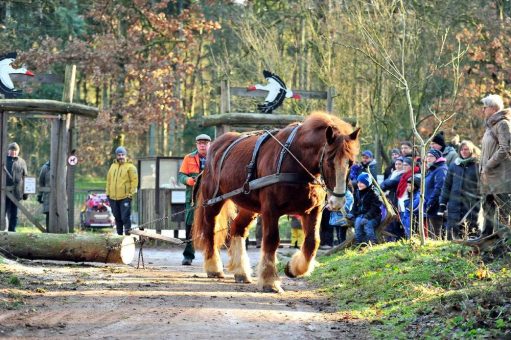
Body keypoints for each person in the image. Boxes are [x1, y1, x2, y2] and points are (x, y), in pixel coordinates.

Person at [479, 94, 511, 237]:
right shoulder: (490, 126)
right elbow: (485, 151)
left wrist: (488, 166)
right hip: (488, 176)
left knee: (503, 210)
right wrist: (482, 169)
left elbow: (505, 148)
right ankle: (486, 237)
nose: (483, 110)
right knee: (487, 207)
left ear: (493, 108)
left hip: (500, 176)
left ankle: (503, 241)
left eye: (484, 107)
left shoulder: (503, 124)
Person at [178, 133, 211, 265]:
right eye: (200, 143)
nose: (202, 145)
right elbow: (181, 176)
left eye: (205, 143)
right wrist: (187, 180)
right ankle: (188, 256)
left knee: (211, 226)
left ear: (210, 144)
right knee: (190, 226)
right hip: (192, 198)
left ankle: (211, 255)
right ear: (197, 144)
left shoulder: (216, 157)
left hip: (210, 198)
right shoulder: (189, 158)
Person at [438, 140, 481, 240]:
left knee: (470, 234)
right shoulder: (454, 165)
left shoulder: (477, 165)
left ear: (471, 150)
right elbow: (447, 185)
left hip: (471, 205)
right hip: (454, 205)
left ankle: (469, 255)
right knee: (452, 236)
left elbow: (482, 185)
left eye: (466, 149)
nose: (464, 151)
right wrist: (442, 203)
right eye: (461, 149)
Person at [106, 146, 138, 236]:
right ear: (116, 156)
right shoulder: (112, 166)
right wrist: (108, 194)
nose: (121, 156)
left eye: (122, 154)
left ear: (126, 155)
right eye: (119, 155)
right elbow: (108, 181)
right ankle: (119, 237)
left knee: (125, 217)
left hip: (125, 197)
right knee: (117, 217)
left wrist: (130, 194)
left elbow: (134, 181)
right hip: (113, 197)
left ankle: (128, 236)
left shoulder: (130, 167)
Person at [351, 173, 381, 245]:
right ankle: (359, 243)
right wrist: (352, 213)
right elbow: (355, 205)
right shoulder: (358, 192)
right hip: (361, 214)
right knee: (357, 224)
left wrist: (367, 217)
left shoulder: (374, 193)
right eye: (358, 182)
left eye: (362, 182)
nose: (359, 184)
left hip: (373, 216)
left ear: (367, 183)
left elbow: (375, 208)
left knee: (367, 225)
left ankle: (372, 243)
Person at [424, 148, 448, 239]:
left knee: (438, 234)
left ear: (437, 158)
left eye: (431, 156)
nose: (428, 158)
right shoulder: (432, 169)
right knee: (433, 233)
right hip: (431, 205)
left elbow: (439, 188)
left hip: (437, 205)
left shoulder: (441, 169)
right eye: (427, 156)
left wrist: (430, 202)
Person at [4, 142, 28, 232]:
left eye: (15, 151)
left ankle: (12, 231)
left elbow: (25, 177)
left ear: (18, 152)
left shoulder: (22, 162)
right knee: (2, 213)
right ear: (8, 151)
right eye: (11, 150)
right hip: (3, 192)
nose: (13, 152)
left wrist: (26, 193)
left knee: (14, 214)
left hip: (16, 192)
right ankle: (2, 232)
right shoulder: (3, 160)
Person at [401, 175, 421, 239]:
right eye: (407, 185)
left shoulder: (417, 196)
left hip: (412, 221)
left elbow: (411, 209)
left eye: (410, 185)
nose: (408, 187)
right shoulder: (411, 196)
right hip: (407, 222)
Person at [37, 161, 50, 230]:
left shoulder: (64, 167)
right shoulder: (46, 167)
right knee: (49, 214)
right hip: (48, 195)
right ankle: (48, 233)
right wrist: (40, 195)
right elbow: (41, 182)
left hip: (60, 197)